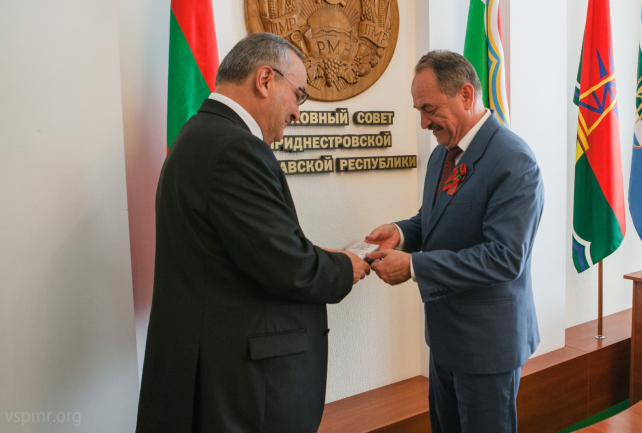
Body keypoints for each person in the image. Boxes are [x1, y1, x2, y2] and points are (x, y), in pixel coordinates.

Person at [136, 32, 369, 433]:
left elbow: (252, 250)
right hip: (242, 391)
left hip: (215, 373)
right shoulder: (236, 149)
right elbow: (289, 267)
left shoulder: (199, 134)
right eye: (298, 95)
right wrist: (347, 266)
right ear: (264, 80)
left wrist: (315, 255)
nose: (298, 113)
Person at [365, 50, 544, 433]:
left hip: (487, 346)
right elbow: (437, 219)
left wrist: (413, 266)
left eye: (429, 109)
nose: (423, 122)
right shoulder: (442, 155)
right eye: (419, 110)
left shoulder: (514, 161)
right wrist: (402, 232)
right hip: (445, 338)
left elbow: (504, 257)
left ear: (465, 95)